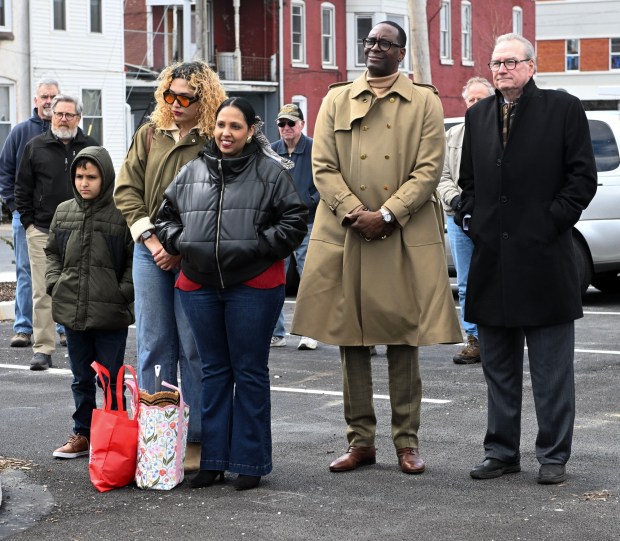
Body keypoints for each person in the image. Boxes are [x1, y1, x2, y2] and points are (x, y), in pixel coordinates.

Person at [291, 21, 461, 475]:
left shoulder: (424, 100)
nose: (375, 48)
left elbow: (429, 169)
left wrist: (385, 214)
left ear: (401, 52)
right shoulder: (336, 98)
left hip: (401, 231)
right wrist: (355, 212)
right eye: (370, 42)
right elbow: (322, 166)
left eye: (385, 43)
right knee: (352, 337)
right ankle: (360, 441)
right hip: (348, 231)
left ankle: (407, 441)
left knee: (405, 337)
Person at [456, 34, 597, 485]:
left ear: (531, 66)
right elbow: (469, 182)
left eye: (511, 62)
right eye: (496, 62)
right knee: (498, 368)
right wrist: (471, 217)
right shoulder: (478, 114)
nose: (501, 69)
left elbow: (582, 179)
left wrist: (548, 223)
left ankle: (553, 455)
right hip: (492, 261)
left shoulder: (562, 108)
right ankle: (501, 452)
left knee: (552, 371)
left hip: (545, 260)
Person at [156, 97, 307, 491]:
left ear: (251, 130)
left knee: (249, 371)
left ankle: (250, 462)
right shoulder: (191, 171)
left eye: (235, 126)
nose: (226, 133)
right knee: (213, 372)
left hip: (253, 287)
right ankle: (213, 461)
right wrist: (183, 242)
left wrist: (257, 246)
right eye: (221, 125)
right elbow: (164, 217)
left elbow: (295, 220)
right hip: (199, 287)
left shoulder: (271, 173)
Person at [114, 61, 227, 472]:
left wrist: (178, 246)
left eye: (186, 98)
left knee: (195, 347)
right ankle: (157, 429)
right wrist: (151, 239)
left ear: (205, 100)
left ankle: (197, 436)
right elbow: (126, 190)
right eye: (169, 95)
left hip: (194, 254)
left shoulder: (215, 139)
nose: (175, 104)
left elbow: (219, 201)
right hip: (149, 249)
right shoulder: (149, 134)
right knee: (153, 344)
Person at [45, 146, 134, 459]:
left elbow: (132, 261)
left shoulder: (121, 214)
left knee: (110, 379)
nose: (84, 182)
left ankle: (114, 439)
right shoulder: (64, 211)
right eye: (80, 176)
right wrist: (54, 284)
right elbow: (52, 252)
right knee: (81, 378)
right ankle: (82, 434)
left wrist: (122, 292)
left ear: (105, 177)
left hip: (110, 314)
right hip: (72, 311)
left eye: (91, 177)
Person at [14, 95, 98, 371]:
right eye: (58, 114)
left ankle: (80, 347)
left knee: (79, 288)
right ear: (51, 116)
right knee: (42, 290)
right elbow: (22, 188)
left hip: (80, 229)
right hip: (41, 230)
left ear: (78, 118)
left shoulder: (90, 148)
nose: (63, 118)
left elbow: (104, 185)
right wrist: (28, 223)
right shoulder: (34, 147)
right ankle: (43, 348)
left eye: (69, 114)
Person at [0, 78, 68, 349]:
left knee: (61, 272)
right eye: (44, 96)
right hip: (24, 218)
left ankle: (62, 328)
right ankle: (23, 329)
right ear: (35, 100)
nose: (48, 101)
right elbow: (5, 171)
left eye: (53, 96)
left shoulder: (66, 134)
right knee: (26, 272)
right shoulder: (20, 132)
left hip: (60, 218)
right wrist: (15, 208)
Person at [438, 77, 494, 365]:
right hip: (459, 219)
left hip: (495, 220)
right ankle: (473, 339)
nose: (475, 104)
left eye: (480, 99)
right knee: (467, 282)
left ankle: (497, 338)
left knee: (497, 278)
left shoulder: (503, 132)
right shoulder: (453, 135)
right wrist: (457, 202)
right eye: (470, 99)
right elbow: (442, 177)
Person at [270, 103, 319, 350]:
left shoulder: (315, 148)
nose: (286, 128)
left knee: (308, 278)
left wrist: (310, 201)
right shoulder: (272, 150)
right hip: (279, 224)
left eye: (291, 123)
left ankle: (309, 332)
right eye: (282, 124)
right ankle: (276, 333)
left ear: (302, 124)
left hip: (306, 222)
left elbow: (325, 180)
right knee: (275, 278)